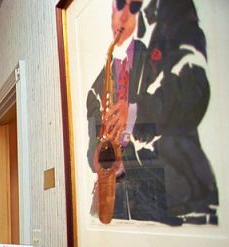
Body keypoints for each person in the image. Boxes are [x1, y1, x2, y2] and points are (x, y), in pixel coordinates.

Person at [86, 0, 218, 226]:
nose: (126, 16)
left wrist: (135, 112)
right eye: (120, 6)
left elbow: (194, 87)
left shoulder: (161, 49)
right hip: (125, 208)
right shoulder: (98, 87)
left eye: (134, 8)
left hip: (180, 200)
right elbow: (92, 152)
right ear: (111, 13)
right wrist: (105, 157)